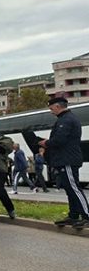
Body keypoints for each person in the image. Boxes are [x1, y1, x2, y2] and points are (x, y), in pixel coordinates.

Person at [39, 97, 89, 228]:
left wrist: (46, 143)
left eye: (51, 109)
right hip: (65, 159)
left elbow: (60, 140)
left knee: (74, 188)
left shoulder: (66, 120)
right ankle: (73, 216)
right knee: (70, 189)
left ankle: (87, 216)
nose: (51, 112)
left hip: (67, 159)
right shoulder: (66, 119)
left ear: (57, 106)